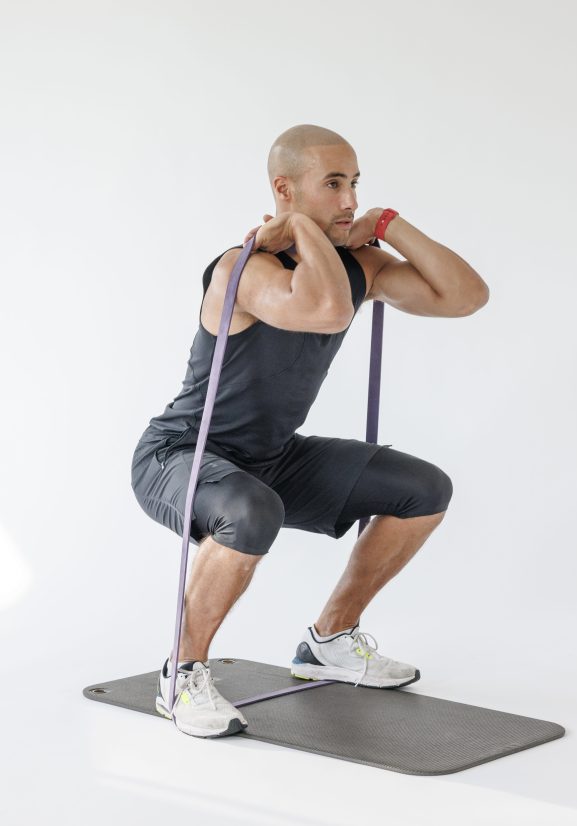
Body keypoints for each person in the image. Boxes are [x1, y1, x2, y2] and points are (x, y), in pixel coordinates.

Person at [130, 124, 490, 739]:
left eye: (354, 183)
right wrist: (298, 230)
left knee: (422, 488)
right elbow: (322, 307)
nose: (349, 200)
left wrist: (389, 224)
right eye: (332, 184)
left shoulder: (359, 266)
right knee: (249, 510)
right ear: (285, 189)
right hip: (181, 456)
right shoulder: (244, 268)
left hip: (271, 458)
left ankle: (329, 640)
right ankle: (182, 673)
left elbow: (466, 296)